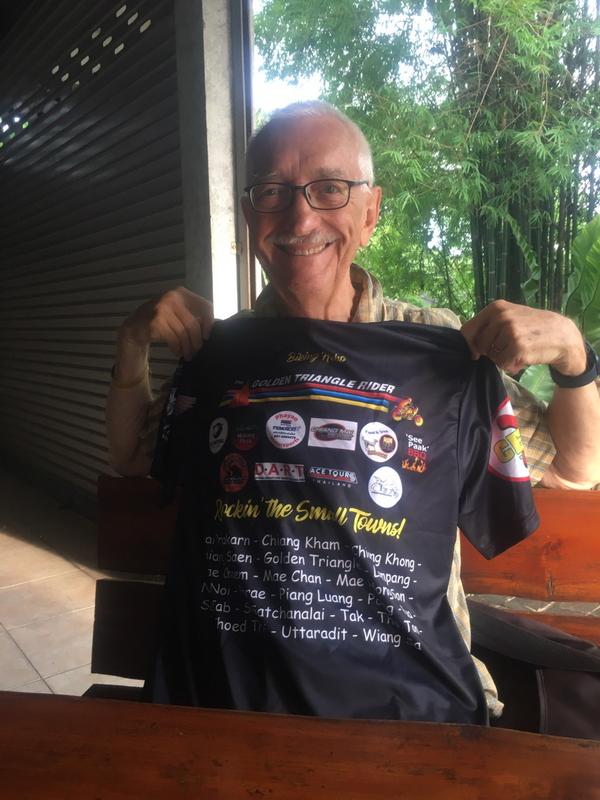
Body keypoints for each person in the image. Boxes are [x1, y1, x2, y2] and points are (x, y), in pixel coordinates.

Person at [106, 101, 600, 722]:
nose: (300, 216)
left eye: (330, 188)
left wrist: (574, 356)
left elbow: (578, 469)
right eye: (272, 192)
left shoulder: (442, 352)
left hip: (407, 709)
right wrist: (131, 342)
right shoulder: (219, 355)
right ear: (250, 216)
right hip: (224, 706)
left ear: (370, 213)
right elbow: (131, 455)